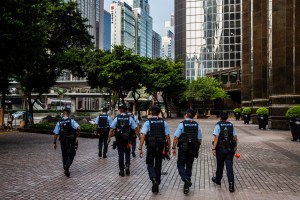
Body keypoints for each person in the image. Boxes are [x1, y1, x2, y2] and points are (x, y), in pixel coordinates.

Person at [139, 106, 171, 193]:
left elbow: (143, 136)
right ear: (159, 112)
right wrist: (169, 148)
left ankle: (153, 178)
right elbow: (167, 137)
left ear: (150, 113)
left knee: (149, 163)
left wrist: (140, 148)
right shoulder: (164, 122)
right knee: (158, 164)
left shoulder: (147, 122)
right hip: (161, 146)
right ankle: (157, 181)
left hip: (151, 146)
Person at [172, 109, 202, 194]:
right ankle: (186, 186)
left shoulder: (182, 124)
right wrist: (197, 149)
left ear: (187, 115)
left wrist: (173, 147)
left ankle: (185, 179)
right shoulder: (197, 125)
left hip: (183, 149)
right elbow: (199, 140)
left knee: (180, 165)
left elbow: (176, 137)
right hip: (192, 149)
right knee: (189, 166)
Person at [107, 105, 138, 177]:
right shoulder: (130, 118)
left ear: (120, 110)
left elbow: (111, 129)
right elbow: (136, 128)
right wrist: (139, 136)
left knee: (120, 154)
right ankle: (127, 168)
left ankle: (121, 171)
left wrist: (109, 138)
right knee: (127, 153)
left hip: (119, 140)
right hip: (127, 140)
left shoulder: (116, 118)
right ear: (126, 110)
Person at [211, 111, 237, 192]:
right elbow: (235, 137)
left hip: (221, 149)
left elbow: (216, 138)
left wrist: (213, 149)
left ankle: (218, 180)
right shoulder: (231, 125)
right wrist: (235, 147)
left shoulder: (218, 125)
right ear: (227, 117)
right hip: (230, 149)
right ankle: (231, 185)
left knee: (220, 165)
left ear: (220, 117)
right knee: (229, 166)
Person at [53, 108, 80, 177]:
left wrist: (54, 142)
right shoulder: (71, 121)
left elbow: (56, 133)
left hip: (63, 140)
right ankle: (67, 166)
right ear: (68, 114)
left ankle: (65, 166)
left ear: (63, 113)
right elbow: (78, 127)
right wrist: (78, 134)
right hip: (71, 141)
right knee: (72, 154)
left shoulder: (59, 122)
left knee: (64, 154)